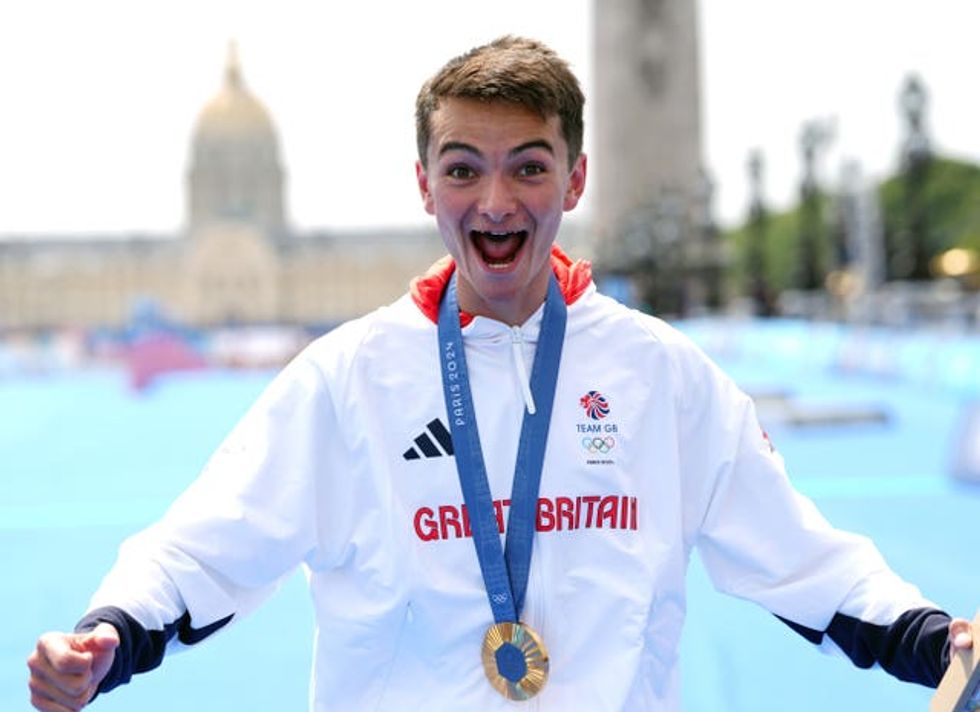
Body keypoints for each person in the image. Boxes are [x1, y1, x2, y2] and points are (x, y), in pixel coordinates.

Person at [27, 35, 973, 711]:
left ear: (574, 181)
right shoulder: (346, 378)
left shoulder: (663, 376)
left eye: (527, 167)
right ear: (424, 184)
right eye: (463, 168)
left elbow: (802, 557)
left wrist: (935, 639)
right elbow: (203, 548)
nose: (495, 201)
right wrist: (106, 637)